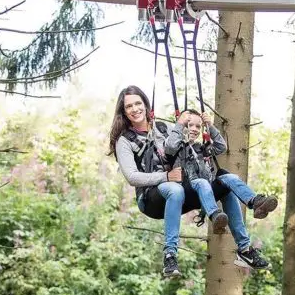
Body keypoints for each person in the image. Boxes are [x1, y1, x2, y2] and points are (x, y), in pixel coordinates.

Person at [109, 86, 276, 278]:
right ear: (124, 111)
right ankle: (170, 254)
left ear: (146, 105)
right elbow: (132, 177)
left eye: (138, 103)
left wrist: (202, 130)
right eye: (129, 106)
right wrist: (165, 176)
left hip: (181, 189)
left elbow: (183, 140)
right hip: (152, 198)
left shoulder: (163, 128)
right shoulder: (125, 140)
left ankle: (245, 249)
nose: (135, 109)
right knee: (175, 189)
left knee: (225, 186)